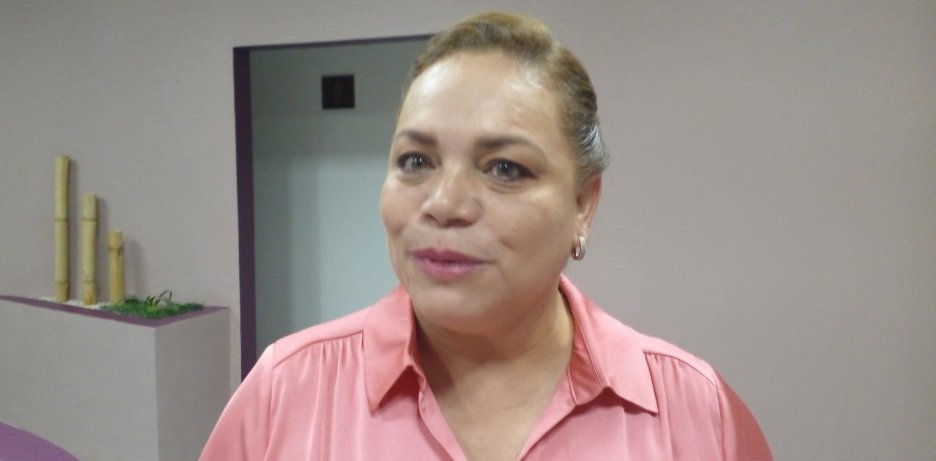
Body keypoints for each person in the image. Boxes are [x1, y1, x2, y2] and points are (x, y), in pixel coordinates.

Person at [201, 11, 773, 461]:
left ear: (582, 204)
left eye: (505, 168)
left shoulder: (696, 414)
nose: (444, 204)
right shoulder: (285, 393)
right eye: (416, 160)